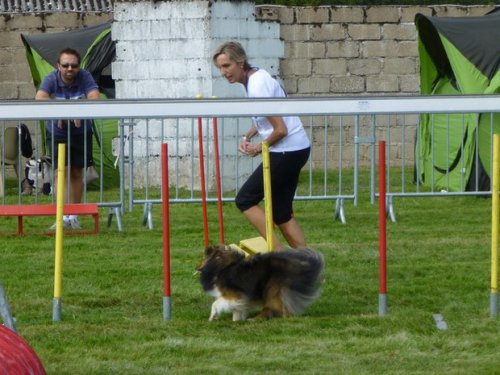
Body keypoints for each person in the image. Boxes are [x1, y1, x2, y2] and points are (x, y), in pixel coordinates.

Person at [213, 41, 311, 250]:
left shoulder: (257, 85)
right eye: (220, 68)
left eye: (226, 66)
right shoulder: (255, 77)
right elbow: (272, 116)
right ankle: (308, 265)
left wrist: (258, 148)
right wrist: (252, 131)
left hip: (287, 150)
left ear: (240, 61)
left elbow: (281, 129)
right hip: (295, 148)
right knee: (281, 212)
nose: (223, 72)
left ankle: (279, 255)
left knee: (245, 199)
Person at [35, 47, 100, 229]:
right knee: (59, 172)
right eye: (65, 65)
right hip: (57, 133)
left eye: (74, 65)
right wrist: (62, 112)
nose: (70, 69)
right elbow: (40, 97)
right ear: (58, 66)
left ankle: (74, 215)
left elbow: (95, 97)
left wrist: (79, 109)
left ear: (79, 66)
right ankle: (62, 216)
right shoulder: (51, 79)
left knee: (77, 172)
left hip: (80, 132)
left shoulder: (85, 77)